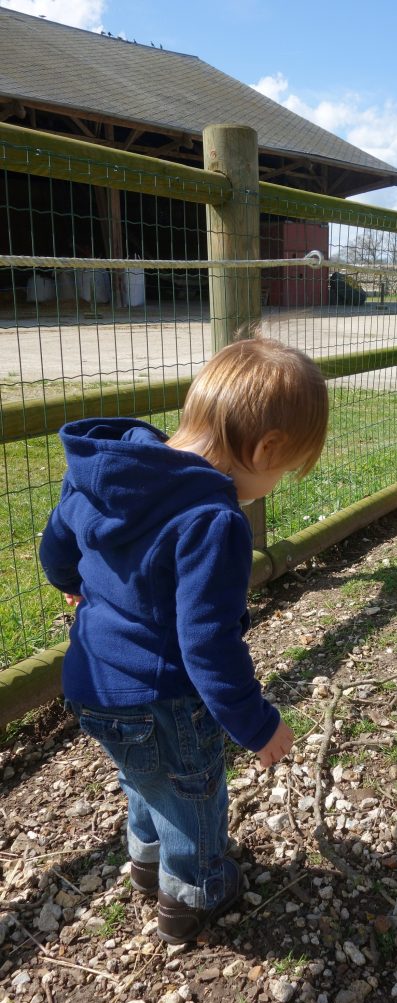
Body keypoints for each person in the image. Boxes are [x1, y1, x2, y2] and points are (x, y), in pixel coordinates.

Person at [39, 337, 329, 944]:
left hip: (91, 682)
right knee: (194, 791)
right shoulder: (214, 520)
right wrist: (255, 723)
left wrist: (69, 583)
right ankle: (193, 894)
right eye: (282, 470)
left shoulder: (108, 470)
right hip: (162, 695)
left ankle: (146, 862)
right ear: (266, 447)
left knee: (141, 774)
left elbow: (58, 544)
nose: (275, 482)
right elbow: (207, 645)